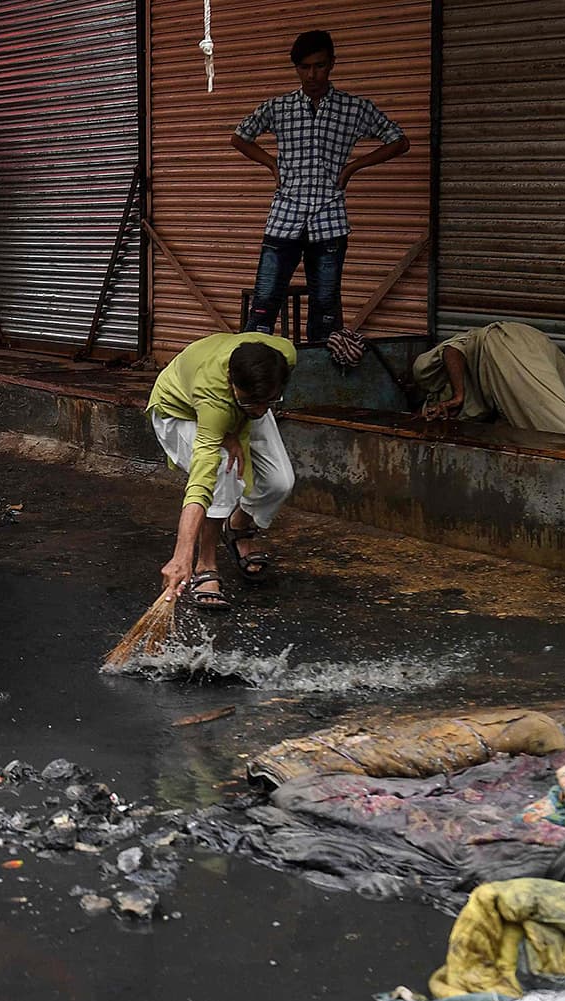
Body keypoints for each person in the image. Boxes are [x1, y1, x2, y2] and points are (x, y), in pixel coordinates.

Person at [232, 30, 410, 342]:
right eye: (304, 67)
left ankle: (320, 377)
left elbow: (399, 141)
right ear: (296, 68)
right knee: (263, 304)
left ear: (332, 64)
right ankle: (254, 377)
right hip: (284, 216)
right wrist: (271, 163)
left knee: (326, 308)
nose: (312, 74)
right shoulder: (279, 107)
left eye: (319, 65)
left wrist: (354, 166)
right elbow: (240, 137)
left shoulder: (354, 108)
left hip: (330, 220)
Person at [149, 332, 298, 609]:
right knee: (223, 471)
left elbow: (258, 404)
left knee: (280, 482)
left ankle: (238, 525)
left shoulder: (284, 355)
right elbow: (200, 483)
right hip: (180, 410)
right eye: (253, 402)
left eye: (271, 401)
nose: (262, 410)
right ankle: (205, 562)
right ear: (231, 383)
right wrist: (182, 555)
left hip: (233, 405)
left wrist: (250, 410)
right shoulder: (213, 398)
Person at [413, 322, 565, 438]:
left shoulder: (427, 376)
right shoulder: (482, 402)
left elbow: (451, 350)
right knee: (528, 430)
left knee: (557, 421)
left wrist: (458, 395)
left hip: (505, 341)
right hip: (545, 351)